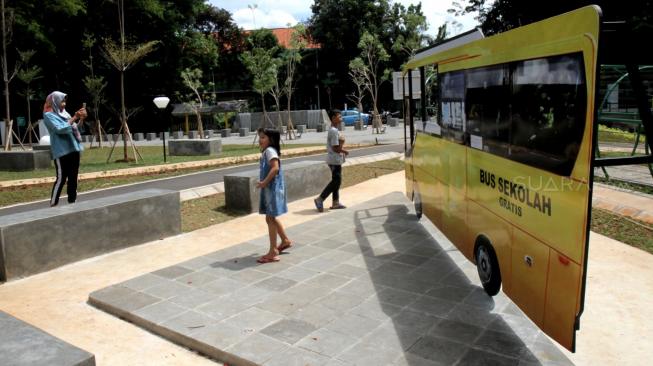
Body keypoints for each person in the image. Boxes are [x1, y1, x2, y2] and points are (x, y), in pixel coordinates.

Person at [42, 91, 86, 207]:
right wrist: (75, 117)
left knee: (73, 177)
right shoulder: (48, 115)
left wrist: (81, 119)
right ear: (54, 101)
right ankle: (53, 203)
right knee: (61, 178)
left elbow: (76, 129)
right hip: (61, 151)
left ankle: (72, 202)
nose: (64, 104)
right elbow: (60, 129)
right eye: (62, 101)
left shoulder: (65, 114)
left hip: (73, 149)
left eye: (64, 101)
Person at [256, 128, 292, 264]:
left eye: (263, 137)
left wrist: (264, 182)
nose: (260, 140)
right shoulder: (268, 151)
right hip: (271, 189)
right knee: (270, 218)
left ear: (270, 139)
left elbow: (275, 168)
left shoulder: (270, 151)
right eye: (260, 137)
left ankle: (272, 251)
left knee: (270, 219)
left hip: (271, 189)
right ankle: (285, 240)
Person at [314, 109, 349, 212]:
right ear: (333, 118)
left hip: (335, 159)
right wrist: (344, 150)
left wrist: (341, 145)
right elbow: (335, 148)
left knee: (337, 181)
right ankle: (320, 199)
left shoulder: (335, 130)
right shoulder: (333, 131)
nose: (341, 118)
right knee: (336, 181)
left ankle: (336, 202)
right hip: (334, 160)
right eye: (339, 116)